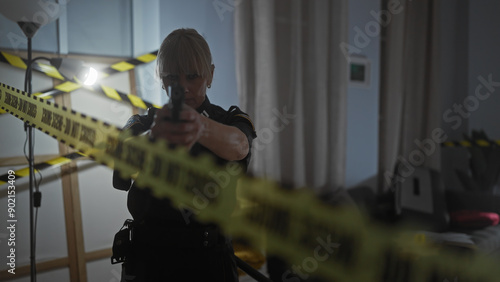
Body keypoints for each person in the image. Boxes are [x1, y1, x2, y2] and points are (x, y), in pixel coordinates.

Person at [112, 28, 256, 281]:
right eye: (171, 77)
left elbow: (240, 146)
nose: (183, 87)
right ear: (160, 78)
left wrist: (198, 126)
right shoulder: (141, 124)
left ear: (210, 75)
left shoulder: (230, 119)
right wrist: (156, 136)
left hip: (209, 262)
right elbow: (123, 172)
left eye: (193, 76)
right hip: (150, 262)